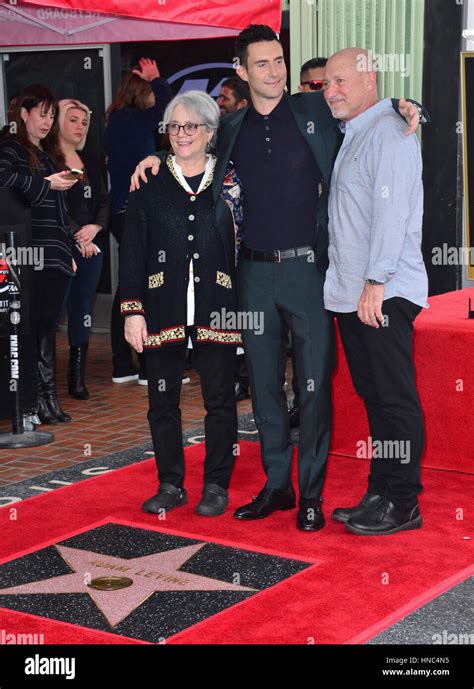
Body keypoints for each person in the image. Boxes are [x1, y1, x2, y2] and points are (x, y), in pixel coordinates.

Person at [131, 25, 422, 532]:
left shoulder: (318, 114)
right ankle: (277, 485)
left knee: (313, 389)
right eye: (262, 64)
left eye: (279, 61)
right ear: (241, 72)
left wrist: (406, 102)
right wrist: (155, 158)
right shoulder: (231, 126)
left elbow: (367, 108)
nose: (275, 72)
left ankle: (311, 494)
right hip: (251, 276)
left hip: (310, 273)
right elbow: (189, 147)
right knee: (264, 387)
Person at [121, 91, 242, 517]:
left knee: (220, 401)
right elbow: (133, 249)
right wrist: (132, 309)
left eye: (192, 126)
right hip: (161, 306)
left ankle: (216, 484)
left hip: (220, 305)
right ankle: (171, 483)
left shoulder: (232, 181)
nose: (182, 134)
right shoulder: (148, 182)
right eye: (174, 126)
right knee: (162, 402)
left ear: (211, 132)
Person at [323, 49, 428, 536]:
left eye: (341, 80)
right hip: (355, 292)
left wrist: (376, 282)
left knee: (394, 398)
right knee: (375, 398)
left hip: (380, 290)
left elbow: (393, 215)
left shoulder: (389, 130)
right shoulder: (356, 132)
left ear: (371, 79)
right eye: (325, 83)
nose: (331, 91)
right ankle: (381, 491)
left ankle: (403, 502)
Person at [0, 84, 78, 424]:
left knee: (47, 327)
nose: (47, 122)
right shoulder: (11, 148)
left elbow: (58, 209)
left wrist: (69, 245)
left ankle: (47, 398)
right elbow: (3, 180)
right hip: (26, 254)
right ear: (23, 114)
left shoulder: (48, 155)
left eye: (51, 116)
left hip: (53, 251)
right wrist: (46, 183)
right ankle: (32, 403)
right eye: (41, 114)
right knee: (29, 328)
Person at [105, 57, 172, 385]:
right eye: (150, 93)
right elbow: (168, 115)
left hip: (123, 210)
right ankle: (144, 366)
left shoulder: (117, 120)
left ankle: (124, 364)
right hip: (133, 211)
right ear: (141, 93)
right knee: (143, 282)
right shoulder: (134, 118)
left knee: (130, 284)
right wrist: (158, 79)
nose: (153, 99)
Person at [50, 99, 110, 399]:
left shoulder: (91, 160)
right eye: (73, 120)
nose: (79, 126)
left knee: (82, 310)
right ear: (59, 122)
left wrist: (95, 229)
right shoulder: (49, 160)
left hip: (92, 248)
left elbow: (103, 202)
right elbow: (52, 206)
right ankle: (45, 384)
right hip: (62, 246)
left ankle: (77, 378)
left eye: (84, 122)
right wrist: (77, 235)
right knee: (54, 309)